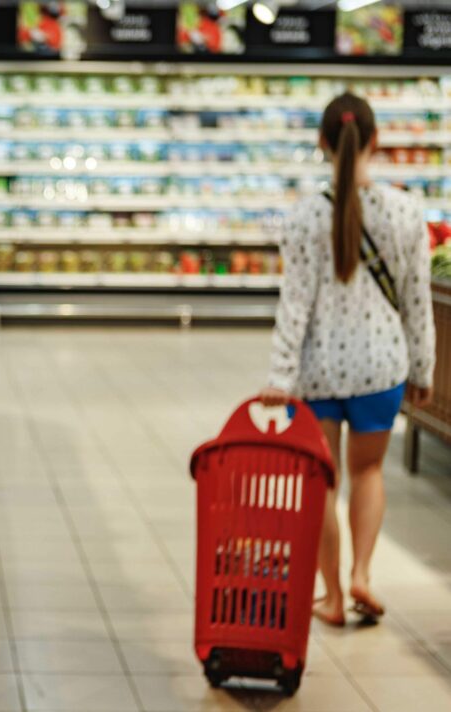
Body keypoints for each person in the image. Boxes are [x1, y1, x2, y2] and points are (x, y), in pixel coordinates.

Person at [259, 93, 436, 627]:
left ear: (322, 142)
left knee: (324, 482)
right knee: (369, 471)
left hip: (317, 373)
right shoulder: (406, 212)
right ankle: (362, 573)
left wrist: (279, 377)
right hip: (381, 367)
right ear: (375, 141)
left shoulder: (306, 216)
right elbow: (417, 298)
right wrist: (423, 368)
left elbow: (295, 304)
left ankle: (332, 596)